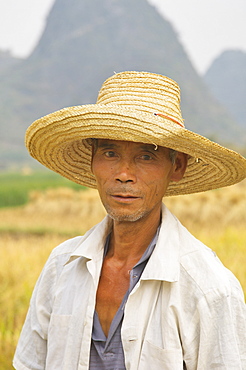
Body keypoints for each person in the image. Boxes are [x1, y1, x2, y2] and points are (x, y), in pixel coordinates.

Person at [13, 71, 246, 370]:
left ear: (177, 167)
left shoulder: (208, 288)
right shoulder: (61, 268)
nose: (124, 173)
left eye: (146, 157)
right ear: (93, 161)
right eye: (110, 153)